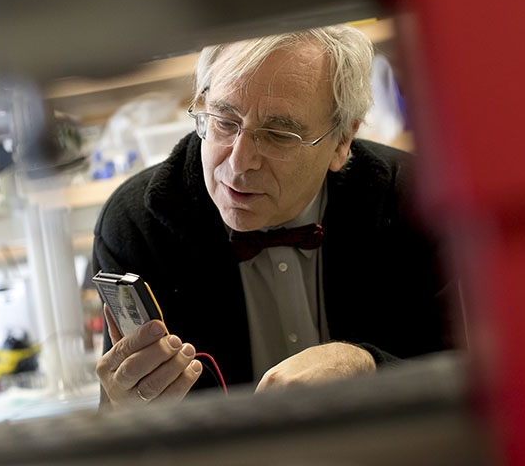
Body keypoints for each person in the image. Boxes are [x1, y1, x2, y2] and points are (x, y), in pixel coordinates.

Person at [92, 24, 459, 409]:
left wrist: (368, 365)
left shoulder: (418, 200)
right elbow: (119, 417)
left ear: (341, 141)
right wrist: (123, 408)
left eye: (279, 135)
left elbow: (472, 385)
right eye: (224, 121)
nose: (238, 164)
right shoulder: (136, 223)